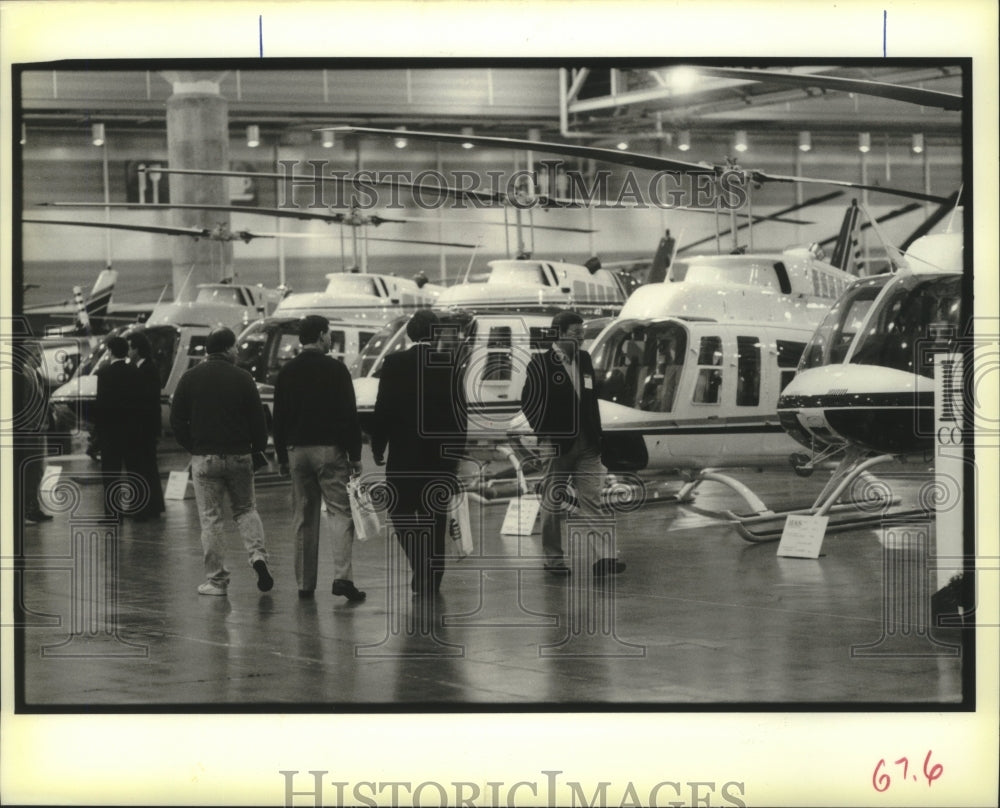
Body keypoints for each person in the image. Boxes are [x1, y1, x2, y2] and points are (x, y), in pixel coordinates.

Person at [169, 327, 274, 597]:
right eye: (236, 347)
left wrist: (192, 446)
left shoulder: (190, 378)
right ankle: (258, 557)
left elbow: (177, 419)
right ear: (227, 349)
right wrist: (257, 449)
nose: (238, 351)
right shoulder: (243, 378)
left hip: (205, 458)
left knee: (211, 519)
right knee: (246, 509)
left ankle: (217, 582)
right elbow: (258, 420)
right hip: (239, 455)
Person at [369, 310, 467, 597]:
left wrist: (378, 444)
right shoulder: (449, 364)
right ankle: (432, 576)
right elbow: (460, 415)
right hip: (440, 458)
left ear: (410, 334)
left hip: (404, 455)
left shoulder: (394, 363)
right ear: (435, 333)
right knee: (434, 517)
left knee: (400, 512)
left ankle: (420, 565)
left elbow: (383, 407)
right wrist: (456, 455)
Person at [520, 311, 625, 577]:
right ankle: (553, 559)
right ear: (559, 333)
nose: (579, 339)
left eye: (581, 334)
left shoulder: (585, 360)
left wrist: (597, 434)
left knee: (591, 499)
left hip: (588, 444)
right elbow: (528, 403)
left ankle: (605, 559)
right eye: (575, 333)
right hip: (557, 445)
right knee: (553, 502)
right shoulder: (540, 364)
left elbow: (590, 400)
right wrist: (546, 433)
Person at [272, 314, 366, 603]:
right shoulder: (336, 370)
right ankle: (342, 578)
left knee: (304, 516)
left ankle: (305, 583)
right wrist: (355, 454)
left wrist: (281, 455)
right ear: (322, 335)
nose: (329, 339)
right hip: (329, 451)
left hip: (297, 451)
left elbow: (279, 417)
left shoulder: (286, 372)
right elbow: (349, 414)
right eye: (328, 334)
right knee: (339, 512)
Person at [94, 335, 141, 517]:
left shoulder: (104, 373)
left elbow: (102, 404)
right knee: (134, 471)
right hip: (132, 431)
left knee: (111, 474)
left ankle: (113, 513)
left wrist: (98, 432)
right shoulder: (135, 371)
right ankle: (138, 510)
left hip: (111, 432)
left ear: (111, 351)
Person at [126, 331, 166, 520]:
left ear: (137, 349)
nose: (128, 352)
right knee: (148, 466)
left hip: (142, 428)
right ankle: (153, 505)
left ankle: (144, 506)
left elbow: (144, 401)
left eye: (130, 347)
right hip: (146, 427)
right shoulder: (149, 367)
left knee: (141, 466)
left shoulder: (145, 370)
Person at [18, 342, 54, 524]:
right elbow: (26, 405)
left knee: (37, 471)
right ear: (29, 355)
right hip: (31, 431)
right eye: (38, 356)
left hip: (37, 430)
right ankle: (29, 509)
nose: (40, 359)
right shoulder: (25, 375)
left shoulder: (34, 375)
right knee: (32, 471)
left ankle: (33, 506)